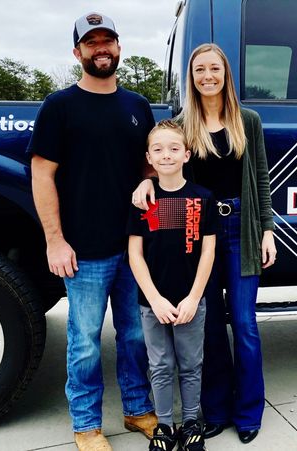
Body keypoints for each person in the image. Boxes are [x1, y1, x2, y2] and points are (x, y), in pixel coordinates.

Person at [132, 43, 276, 444]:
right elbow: (164, 161)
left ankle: (248, 411)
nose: (208, 76)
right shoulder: (182, 123)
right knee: (208, 325)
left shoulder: (248, 121)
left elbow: (261, 178)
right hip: (201, 237)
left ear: (226, 73)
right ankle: (213, 411)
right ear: (191, 77)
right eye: (199, 70)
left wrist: (267, 229)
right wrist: (146, 180)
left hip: (242, 231)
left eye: (215, 68)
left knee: (244, 324)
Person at [29, 12, 156, 451]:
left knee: (135, 334)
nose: (101, 48)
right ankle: (86, 425)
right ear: (78, 51)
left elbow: (148, 166)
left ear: (119, 48)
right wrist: (54, 239)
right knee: (83, 342)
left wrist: (147, 179)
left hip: (134, 246)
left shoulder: (138, 106)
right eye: (92, 42)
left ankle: (138, 409)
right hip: (83, 251)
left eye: (108, 41)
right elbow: (42, 175)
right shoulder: (59, 106)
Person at [128, 120, 218, 451]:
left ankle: (192, 420)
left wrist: (194, 297)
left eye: (174, 148)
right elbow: (135, 255)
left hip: (191, 301)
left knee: (191, 364)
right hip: (153, 304)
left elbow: (208, 250)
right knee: (160, 365)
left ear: (187, 155)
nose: (166, 155)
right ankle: (165, 425)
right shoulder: (142, 202)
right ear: (149, 158)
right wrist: (155, 299)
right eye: (159, 149)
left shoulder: (203, 198)